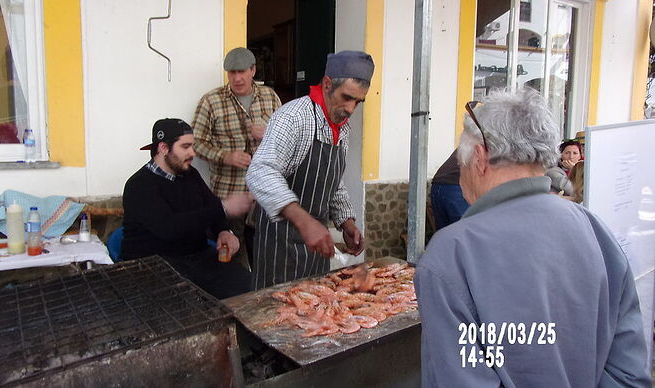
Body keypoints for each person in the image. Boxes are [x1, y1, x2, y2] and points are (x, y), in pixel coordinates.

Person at [415, 89, 650, 387]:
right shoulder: (597, 232)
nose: (460, 177)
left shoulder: (450, 255)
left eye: (461, 163)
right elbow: (628, 374)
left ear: (480, 158)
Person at [246, 51, 373, 289]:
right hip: (280, 246)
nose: (351, 108)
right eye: (347, 97)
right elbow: (260, 171)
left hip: (317, 246)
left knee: (315, 309)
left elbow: (333, 181)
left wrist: (346, 222)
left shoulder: (341, 127)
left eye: (358, 101)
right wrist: (304, 221)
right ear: (327, 84)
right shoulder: (294, 117)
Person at [121, 118, 253, 299]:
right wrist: (224, 208)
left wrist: (224, 230)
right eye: (185, 147)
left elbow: (211, 206)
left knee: (251, 289)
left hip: (196, 259)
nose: (193, 153)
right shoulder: (139, 185)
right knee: (191, 307)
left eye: (192, 146)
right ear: (163, 148)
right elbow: (170, 228)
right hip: (153, 266)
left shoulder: (190, 174)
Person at [191, 47, 282, 270]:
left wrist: (269, 132)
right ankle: (238, 298)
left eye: (242, 71)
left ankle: (262, 294)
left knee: (266, 250)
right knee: (232, 253)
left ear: (253, 70)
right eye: (232, 73)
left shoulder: (271, 97)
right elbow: (194, 142)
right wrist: (225, 156)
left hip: (264, 191)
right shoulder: (211, 101)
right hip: (229, 192)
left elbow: (289, 139)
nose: (237, 78)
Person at [430, 148, 469, 229]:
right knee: (463, 233)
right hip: (455, 187)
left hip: (437, 185)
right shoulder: (492, 143)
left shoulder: (470, 141)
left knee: (444, 233)